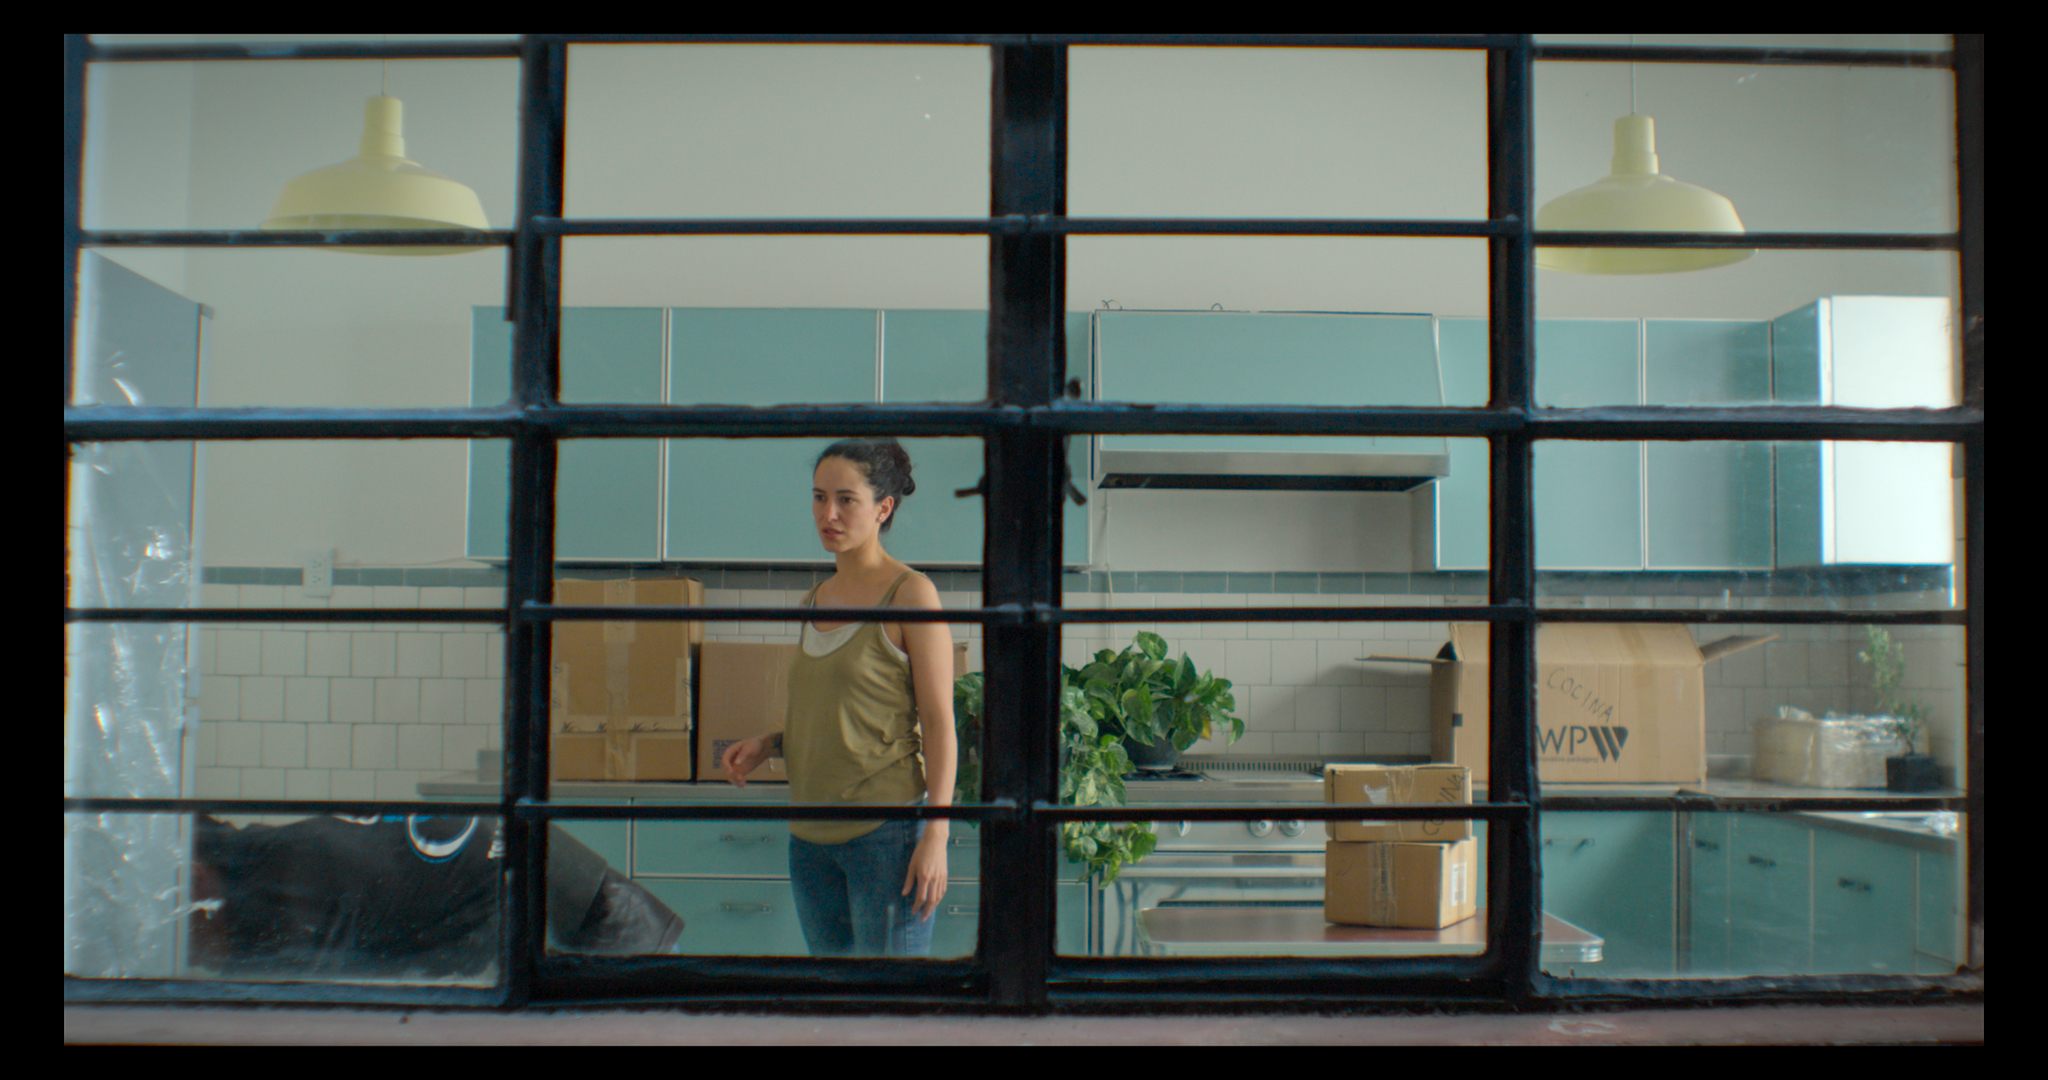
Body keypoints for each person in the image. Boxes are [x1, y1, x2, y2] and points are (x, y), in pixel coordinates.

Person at [719, 438, 956, 957]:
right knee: (833, 998)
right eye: (819, 497)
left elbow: (940, 724)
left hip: (884, 837)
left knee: (889, 1002)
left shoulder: (910, 594)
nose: (829, 514)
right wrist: (770, 744)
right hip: (808, 842)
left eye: (846, 499)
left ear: (883, 508)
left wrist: (935, 837)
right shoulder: (815, 599)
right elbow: (840, 711)